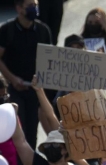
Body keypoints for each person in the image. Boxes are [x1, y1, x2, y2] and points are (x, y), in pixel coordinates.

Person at [0, 0, 52, 148]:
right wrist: (12, 79)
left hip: (35, 89)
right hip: (14, 89)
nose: (33, 8)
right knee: (19, 127)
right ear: (18, 8)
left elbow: (50, 59)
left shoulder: (43, 30)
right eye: (29, 5)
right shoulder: (7, 30)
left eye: (35, 4)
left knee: (32, 129)